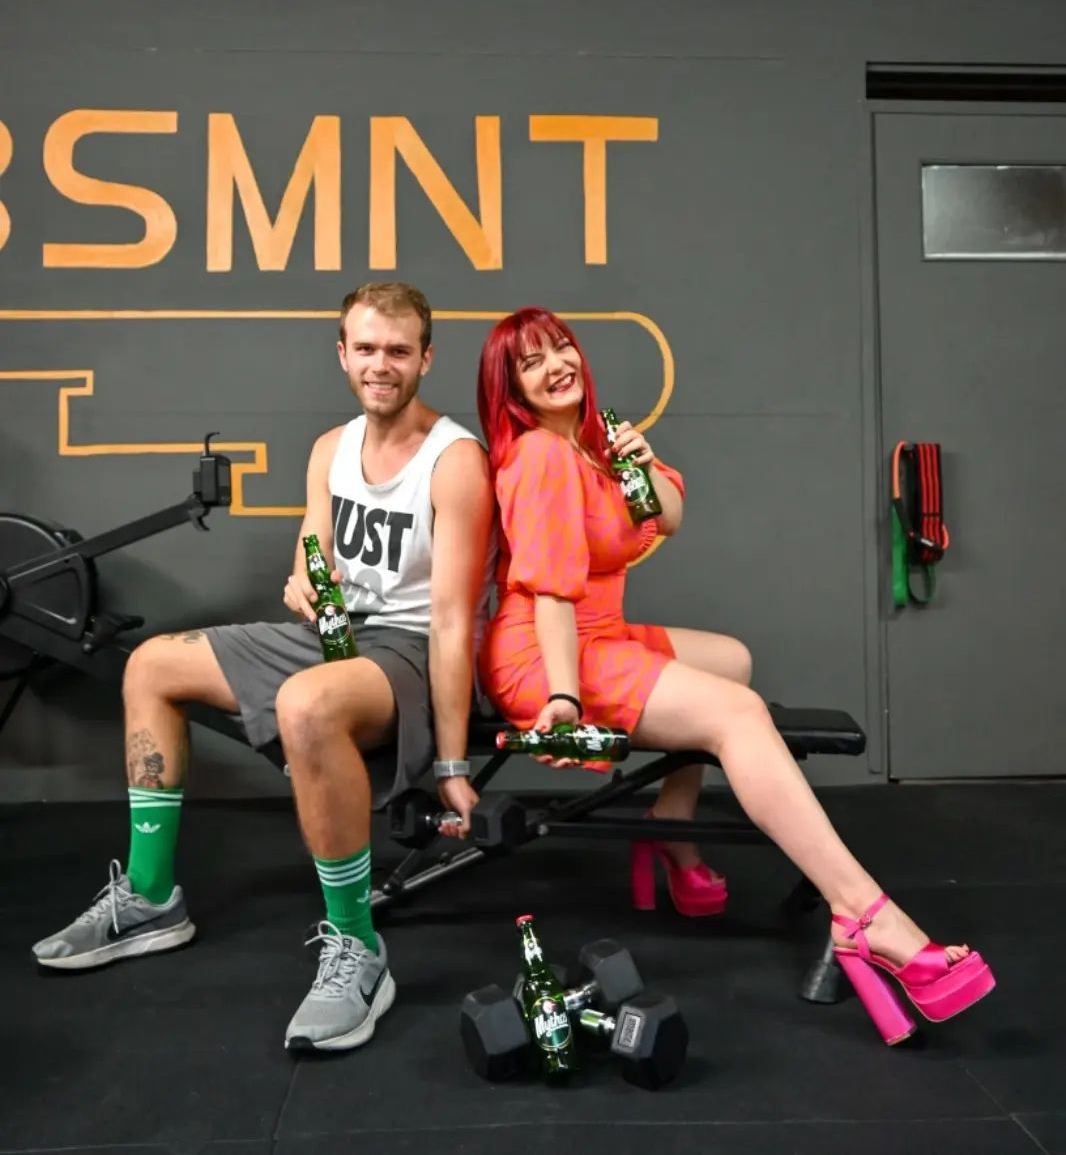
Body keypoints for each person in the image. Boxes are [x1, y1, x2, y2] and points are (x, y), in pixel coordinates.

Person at [475, 305, 995, 1045]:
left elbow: (669, 518)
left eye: (561, 347)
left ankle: (671, 826)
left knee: (731, 661)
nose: (556, 365)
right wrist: (562, 695)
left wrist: (638, 464)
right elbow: (551, 593)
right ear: (512, 392)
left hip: (596, 631)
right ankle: (863, 913)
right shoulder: (541, 457)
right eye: (532, 362)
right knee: (738, 712)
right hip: (543, 649)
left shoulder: (590, 448)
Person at [33, 282, 496, 1055]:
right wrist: (304, 584)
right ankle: (150, 897)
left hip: (412, 652)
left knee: (306, 704)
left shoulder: (455, 461)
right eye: (366, 348)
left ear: (426, 359)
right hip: (337, 638)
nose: (380, 365)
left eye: (398, 350)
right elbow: (313, 553)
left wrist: (451, 763)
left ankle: (359, 949)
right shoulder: (330, 449)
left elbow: (451, 621)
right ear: (342, 353)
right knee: (151, 666)